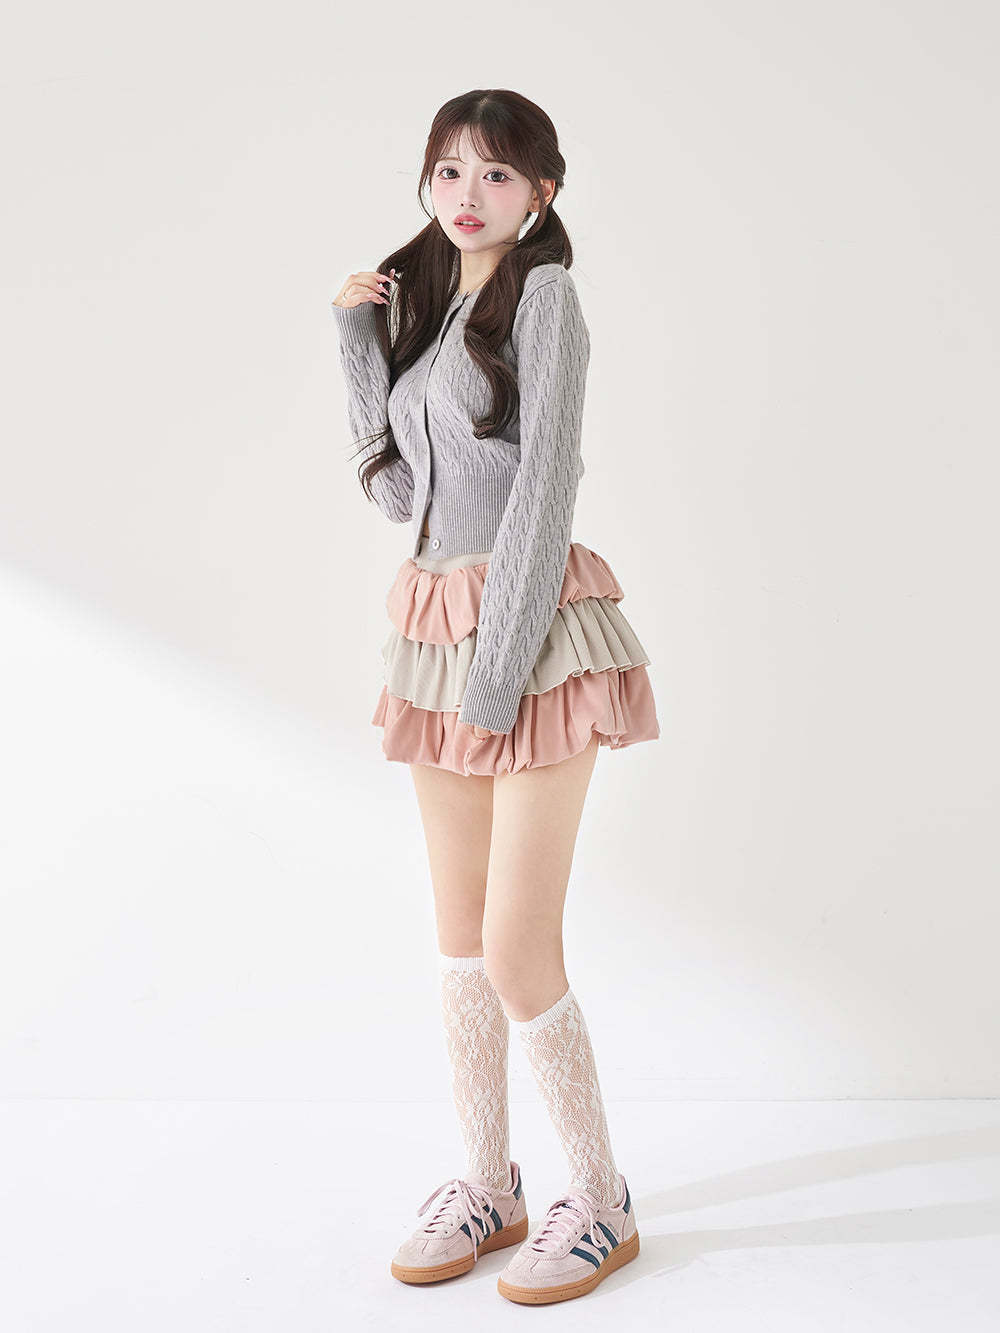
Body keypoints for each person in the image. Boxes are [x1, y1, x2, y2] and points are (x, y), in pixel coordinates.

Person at [331, 88, 659, 1306]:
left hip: (531, 638)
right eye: (450, 171)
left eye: (496, 175)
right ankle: (489, 1183)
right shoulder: (431, 314)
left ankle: (601, 1197)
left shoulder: (547, 299)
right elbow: (394, 496)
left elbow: (544, 491)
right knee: (462, 941)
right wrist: (356, 342)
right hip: (433, 624)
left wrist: (497, 676)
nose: (467, 195)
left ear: (541, 193)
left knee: (521, 945)